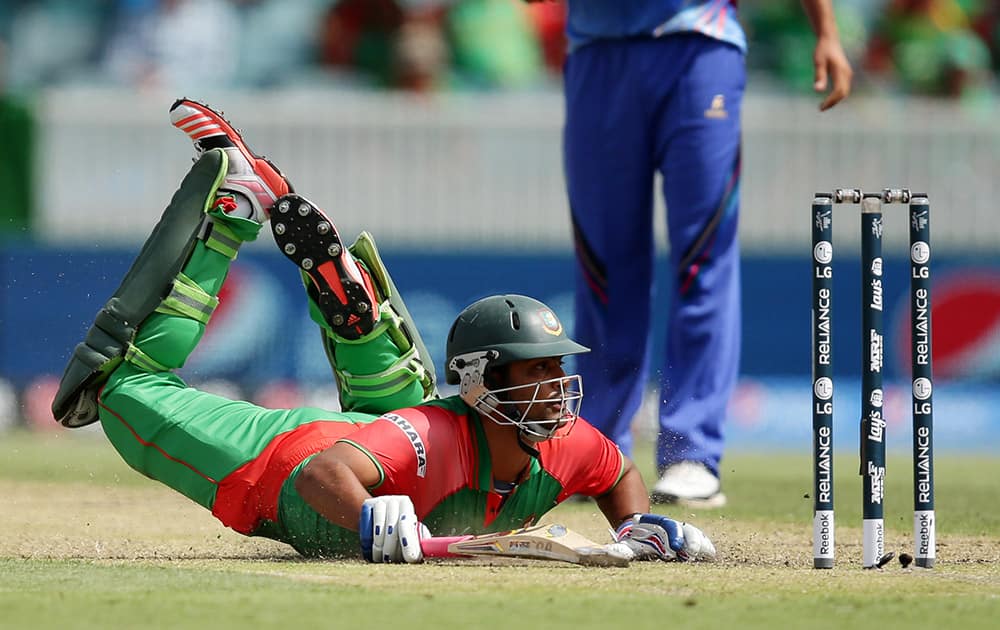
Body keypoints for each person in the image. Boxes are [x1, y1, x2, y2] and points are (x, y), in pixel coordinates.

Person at [50, 99, 716, 564]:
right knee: (118, 386)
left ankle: (366, 333)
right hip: (282, 468)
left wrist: (637, 528)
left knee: (394, 421)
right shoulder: (434, 432)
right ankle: (232, 215)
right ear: (483, 381)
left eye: (554, 367)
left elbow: (616, 469)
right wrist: (371, 518)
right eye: (534, 371)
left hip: (385, 439)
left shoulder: (568, 443)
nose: (555, 387)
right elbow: (321, 478)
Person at [527, 0, 853, 507]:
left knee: (702, 257)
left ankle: (692, 453)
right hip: (599, 50)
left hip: (700, 45)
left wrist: (826, 31)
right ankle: (599, 450)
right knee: (605, 268)